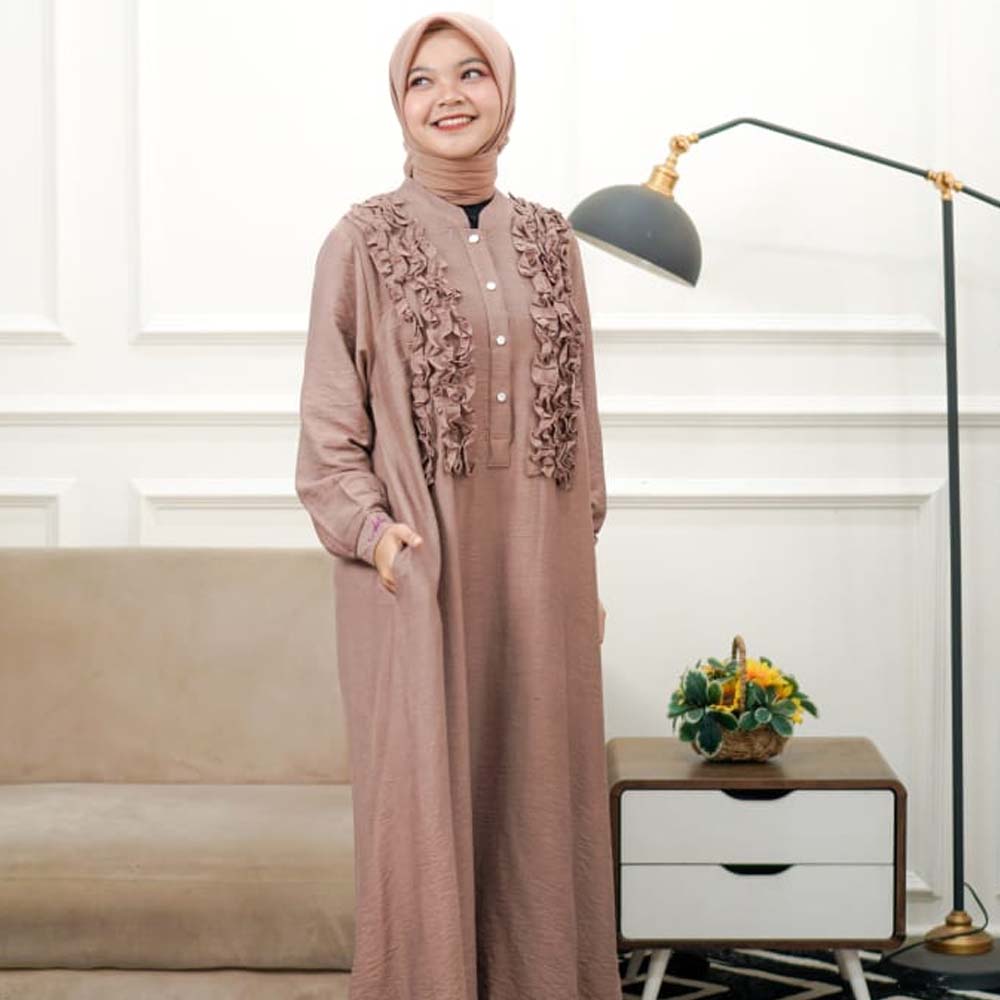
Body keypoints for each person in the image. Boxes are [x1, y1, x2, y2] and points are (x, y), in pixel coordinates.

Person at [295, 11, 619, 999]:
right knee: (425, 817)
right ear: (399, 103)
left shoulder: (552, 240)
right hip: (415, 582)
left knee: (539, 809)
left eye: (470, 73)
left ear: (504, 92)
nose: (448, 96)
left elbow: (581, 425)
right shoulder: (359, 242)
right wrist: (381, 542)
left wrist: (579, 568)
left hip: (541, 574)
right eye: (422, 80)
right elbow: (326, 442)